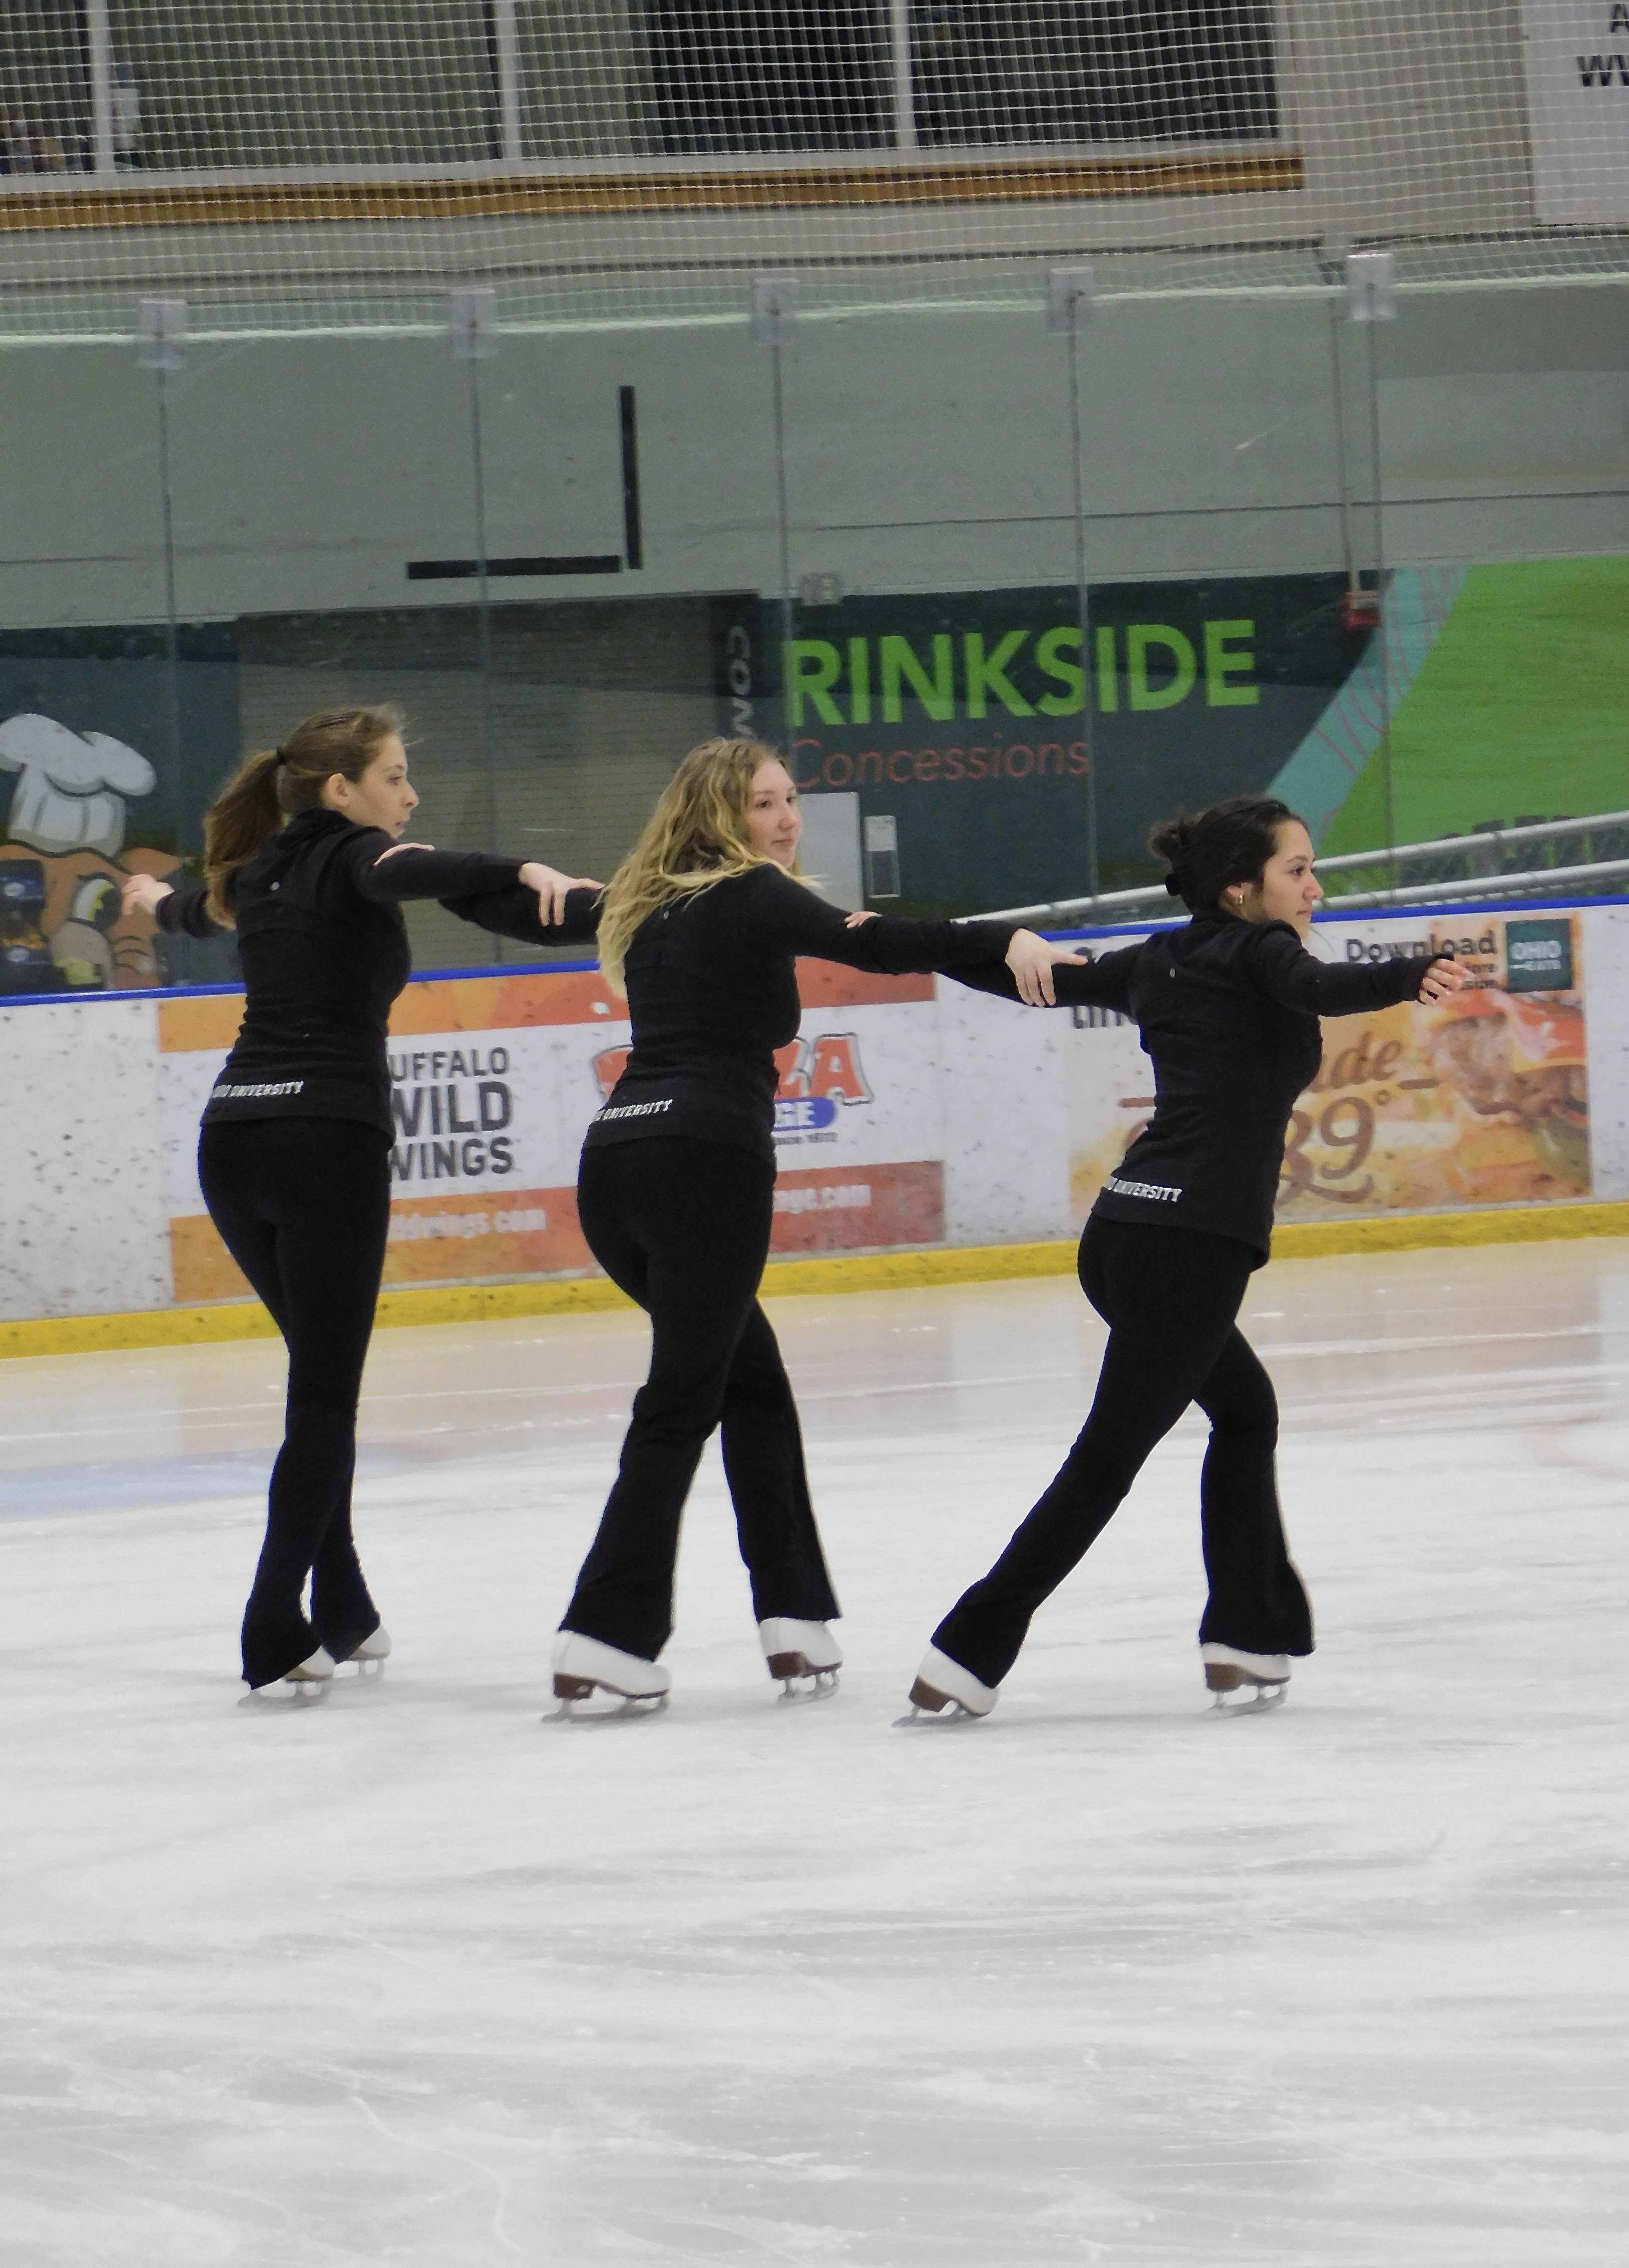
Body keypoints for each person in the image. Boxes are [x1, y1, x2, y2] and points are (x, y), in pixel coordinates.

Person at [455, 735, 1079, 1714]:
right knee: (679, 1402)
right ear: (718, 815)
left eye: (789, 801)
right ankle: (606, 1632)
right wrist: (998, 939)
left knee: (747, 1379)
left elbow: (514, 909)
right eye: (762, 804)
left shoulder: (638, 897)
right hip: (704, 1162)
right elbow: (875, 943)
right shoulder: (750, 891)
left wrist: (502, 875)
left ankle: (793, 1615)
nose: (785, 820)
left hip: (615, 1165)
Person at [907, 795, 1469, 1722]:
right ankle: (965, 1651)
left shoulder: (1158, 956)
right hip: (1188, 1246)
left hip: (1125, 1234)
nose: (1313, 887)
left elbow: (1040, 982)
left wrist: (946, 947)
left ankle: (1244, 1635)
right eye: (1296, 870)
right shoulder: (1262, 950)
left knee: (1244, 1414)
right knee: (1105, 1462)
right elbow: (1318, 989)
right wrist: (1413, 971)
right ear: (1241, 887)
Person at [121, 705, 590, 1699]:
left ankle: (341, 1601)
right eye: (393, 776)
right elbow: (419, 870)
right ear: (341, 790)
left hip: (233, 1139)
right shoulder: (355, 860)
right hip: (323, 1141)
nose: (407, 794)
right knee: (325, 1400)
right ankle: (268, 1621)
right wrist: (521, 870)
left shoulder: (256, 877)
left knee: (316, 1390)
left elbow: (183, 914)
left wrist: (139, 897)